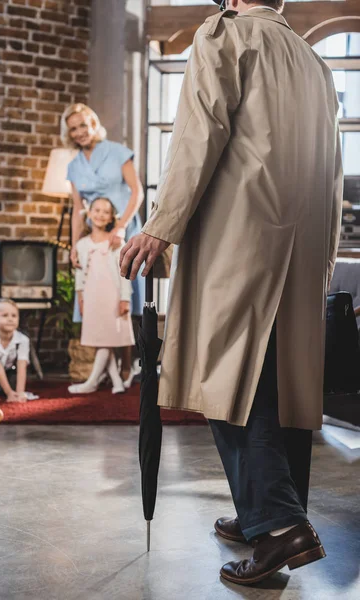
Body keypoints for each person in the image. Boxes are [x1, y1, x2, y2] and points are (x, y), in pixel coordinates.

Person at [120, 0, 343, 586]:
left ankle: (278, 530)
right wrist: (325, 256)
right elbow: (336, 167)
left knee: (231, 374)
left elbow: (199, 135)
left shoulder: (227, 35)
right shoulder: (312, 60)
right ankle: (265, 514)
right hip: (303, 242)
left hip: (241, 232)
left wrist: (161, 224)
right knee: (281, 379)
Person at [61, 103, 143, 380]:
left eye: (83, 125)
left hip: (122, 232)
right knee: (98, 299)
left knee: (124, 297)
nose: (79, 132)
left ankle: (128, 365)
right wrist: (74, 245)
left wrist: (120, 228)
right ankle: (107, 368)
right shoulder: (73, 167)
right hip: (93, 237)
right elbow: (76, 209)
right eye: (73, 128)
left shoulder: (118, 152)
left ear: (94, 124)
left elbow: (137, 193)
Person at [68, 198, 135, 395]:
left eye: (105, 212)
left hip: (112, 296)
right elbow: (80, 274)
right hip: (92, 296)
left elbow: (124, 273)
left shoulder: (116, 243)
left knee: (105, 340)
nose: (100, 215)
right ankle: (117, 382)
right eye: (96, 210)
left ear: (111, 218)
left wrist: (125, 298)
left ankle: (91, 382)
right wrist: (80, 297)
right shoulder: (81, 244)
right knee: (102, 339)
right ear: (89, 213)